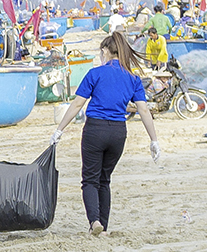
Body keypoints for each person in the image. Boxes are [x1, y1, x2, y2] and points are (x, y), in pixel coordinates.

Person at [49, 30, 162, 237]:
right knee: (105, 180)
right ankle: (104, 228)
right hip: (118, 133)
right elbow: (143, 110)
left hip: (95, 130)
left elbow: (77, 105)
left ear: (105, 51)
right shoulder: (133, 78)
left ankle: (94, 223)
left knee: (90, 180)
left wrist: (59, 130)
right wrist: (154, 140)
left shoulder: (96, 73)